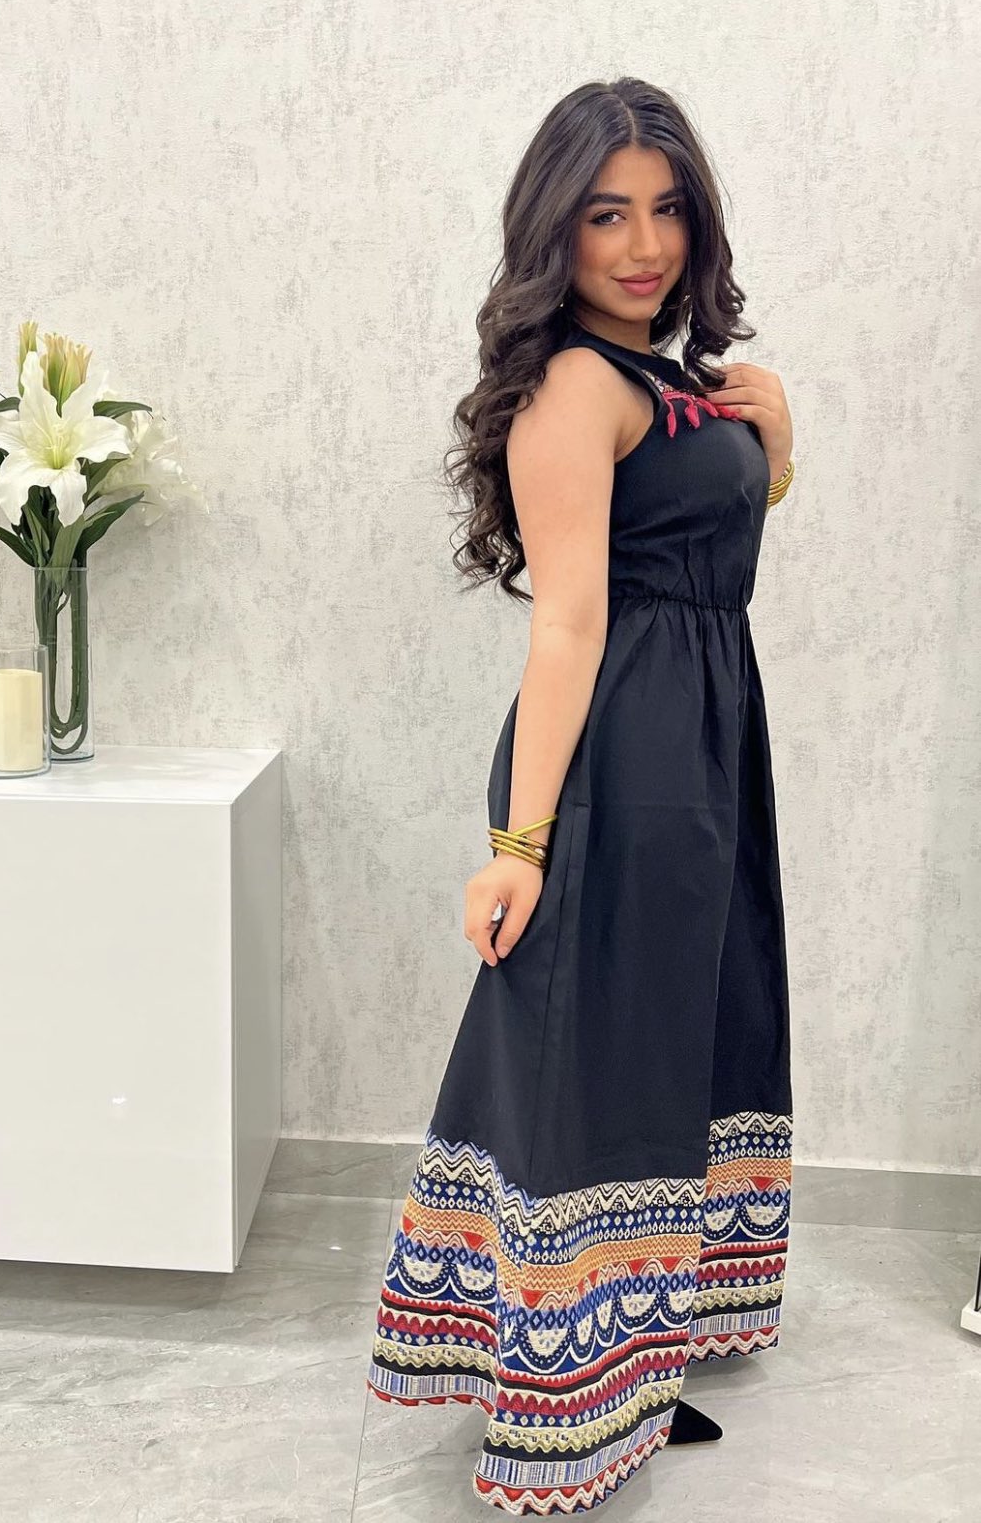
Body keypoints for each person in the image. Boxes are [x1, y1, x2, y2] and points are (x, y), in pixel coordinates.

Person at [366, 76, 795, 1515]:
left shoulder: (665, 380)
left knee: (673, 1044)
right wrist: (517, 846)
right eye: (607, 214)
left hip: (704, 753)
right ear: (556, 227)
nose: (643, 244)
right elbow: (565, 625)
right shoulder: (571, 387)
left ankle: (628, 1361)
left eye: (666, 210)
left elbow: (698, 542)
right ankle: (563, 1394)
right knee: (594, 1062)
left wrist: (775, 446)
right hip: (623, 765)